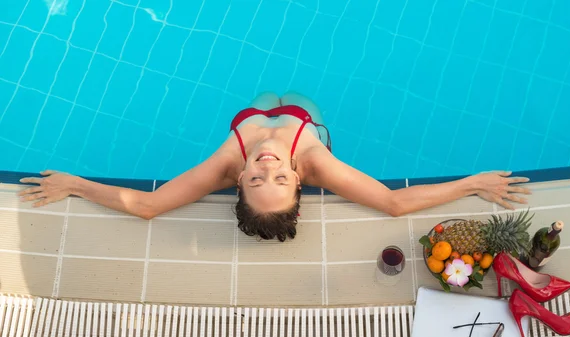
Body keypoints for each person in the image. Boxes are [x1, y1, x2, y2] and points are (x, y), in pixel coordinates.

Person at [18, 91, 531, 242]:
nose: (266, 165)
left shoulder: (226, 162)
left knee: (265, 96)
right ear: (299, 180)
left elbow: (147, 205)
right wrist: (471, 183)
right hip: (308, 120)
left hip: (251, 112)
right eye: (279, 179)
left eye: (258, 178)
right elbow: (394, 204)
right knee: (301, 98)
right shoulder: (313, 159)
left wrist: (76, 185)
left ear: (236, 182)